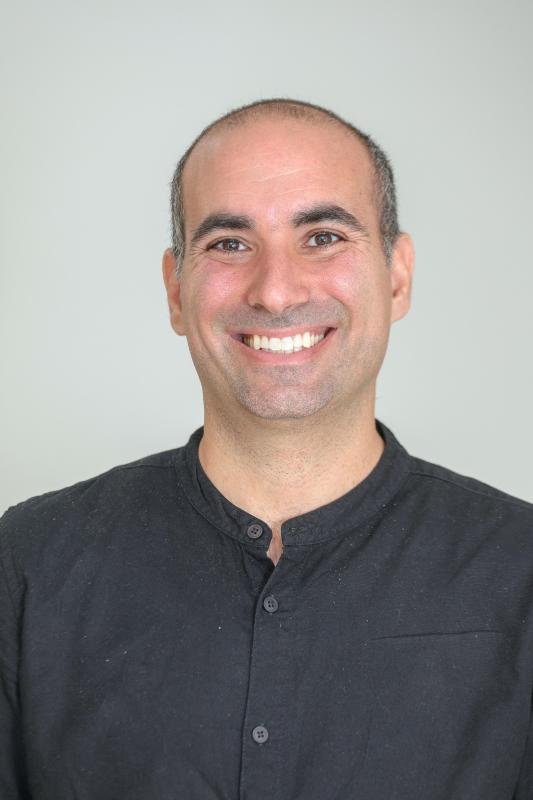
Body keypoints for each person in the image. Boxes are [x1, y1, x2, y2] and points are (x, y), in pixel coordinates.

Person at [1, 98, 532, 800]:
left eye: (323, 236)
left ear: (397, 276)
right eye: (229, 243)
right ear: (175, 290)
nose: (276, 292)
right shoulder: (28, 566)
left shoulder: (520, 572)